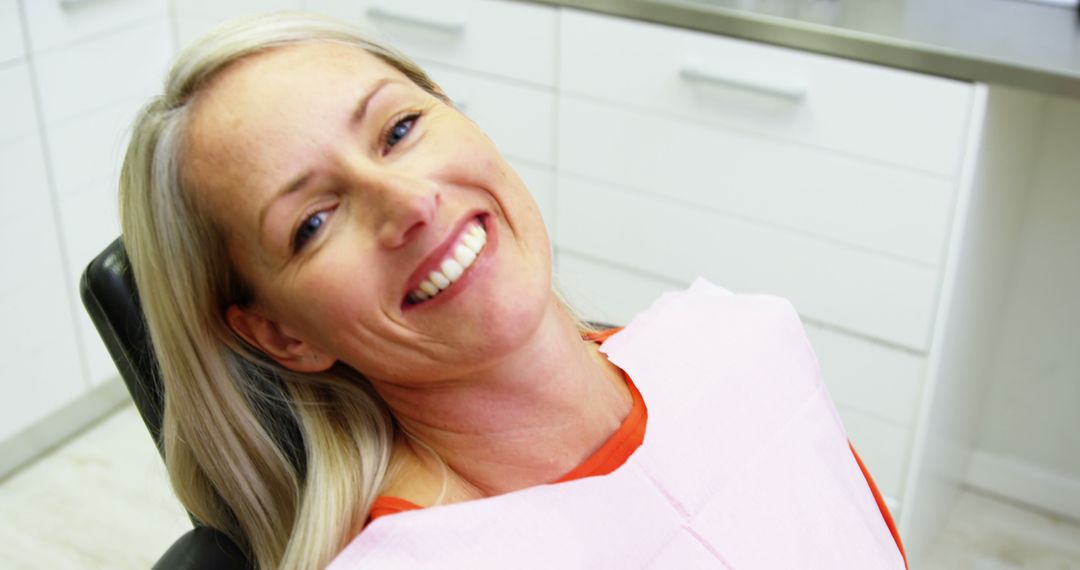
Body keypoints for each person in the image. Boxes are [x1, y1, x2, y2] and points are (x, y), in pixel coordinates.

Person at [120, 12, 905, 570]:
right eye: (315, 222)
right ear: (283, 335)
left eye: (398, 130)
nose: (411, 202)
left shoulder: (748, 348)